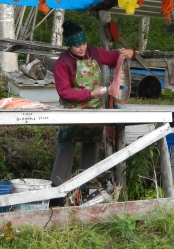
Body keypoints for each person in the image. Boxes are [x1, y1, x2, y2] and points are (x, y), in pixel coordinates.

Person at [50, 21, 134, 202]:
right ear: (69, 45)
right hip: (71, 113)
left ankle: (85, 192)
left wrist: (128, 54)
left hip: (95, 112)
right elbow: (64, 91)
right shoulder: (63, 63)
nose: (82, 48)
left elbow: (114, 59)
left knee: (91, 147)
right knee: (66, 148)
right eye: (77, 45)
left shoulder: (94, 52)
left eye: (83, 44)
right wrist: (91, 93)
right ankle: (56, 196)